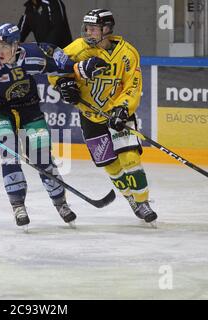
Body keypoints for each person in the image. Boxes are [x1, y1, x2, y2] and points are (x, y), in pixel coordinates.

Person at [0, 23, 104, 228]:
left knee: (42, 156)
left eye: (3, 46)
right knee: (8, 151)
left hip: (29, 108)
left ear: (15, 45)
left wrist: (82, 67)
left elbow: (60, 61)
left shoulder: (33, 56)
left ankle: (60, 203)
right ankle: (18, 204)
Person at [49, 9, 158, 225]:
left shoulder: (128, 53)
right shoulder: (78, 48)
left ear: (106, 29)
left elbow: (133, 86)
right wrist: (63, 83)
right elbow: (54, 69)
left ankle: (143, 202)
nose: (88, 32)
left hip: (118, 115)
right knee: (111, 165)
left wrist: (122, 109)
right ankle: (131, 199)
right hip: (90, 116)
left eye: (93, 28)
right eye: (87, 28)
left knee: (130, 159)